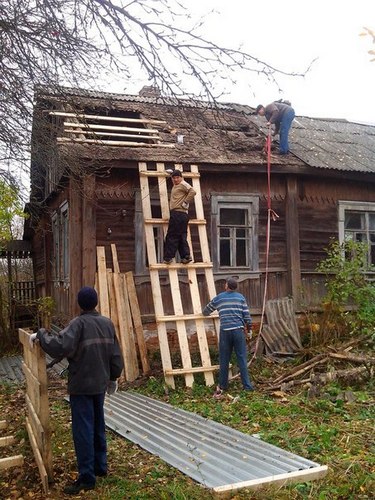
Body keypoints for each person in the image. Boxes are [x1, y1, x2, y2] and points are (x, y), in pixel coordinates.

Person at [29, 286, 124, 495]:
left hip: (81, 385)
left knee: (83, 430)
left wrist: (41, 335)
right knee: (98, 424)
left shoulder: (78, 324)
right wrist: (114, 378)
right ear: (96, 302)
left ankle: (87, 477)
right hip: (100, 384)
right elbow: (115, 355)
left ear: (80, 303)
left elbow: (59, 346)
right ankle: (100, 467)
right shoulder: (107, 324)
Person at [202, 278, 254, 398]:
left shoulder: (219, 298)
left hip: (225, 331)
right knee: (241, 358)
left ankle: (223, 385)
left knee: (224, 359)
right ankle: (247, 386)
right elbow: (247, 315)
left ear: (227, 286)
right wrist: (250, 330)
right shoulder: (241, 298)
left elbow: (206, 311)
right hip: (238, 331)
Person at [163, 169, 196, 264]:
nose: (176, 180)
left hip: (177, 213)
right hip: (182, 215)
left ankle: (168, 257)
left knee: (172, 235)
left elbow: (193, 191)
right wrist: (171, 172)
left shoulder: (183, 184)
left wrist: (185, 202)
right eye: (174, 178)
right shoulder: (177, 185)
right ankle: (186, 256)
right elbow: (174, 175)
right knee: (182, 236)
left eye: (177, 177)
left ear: (181, 177)